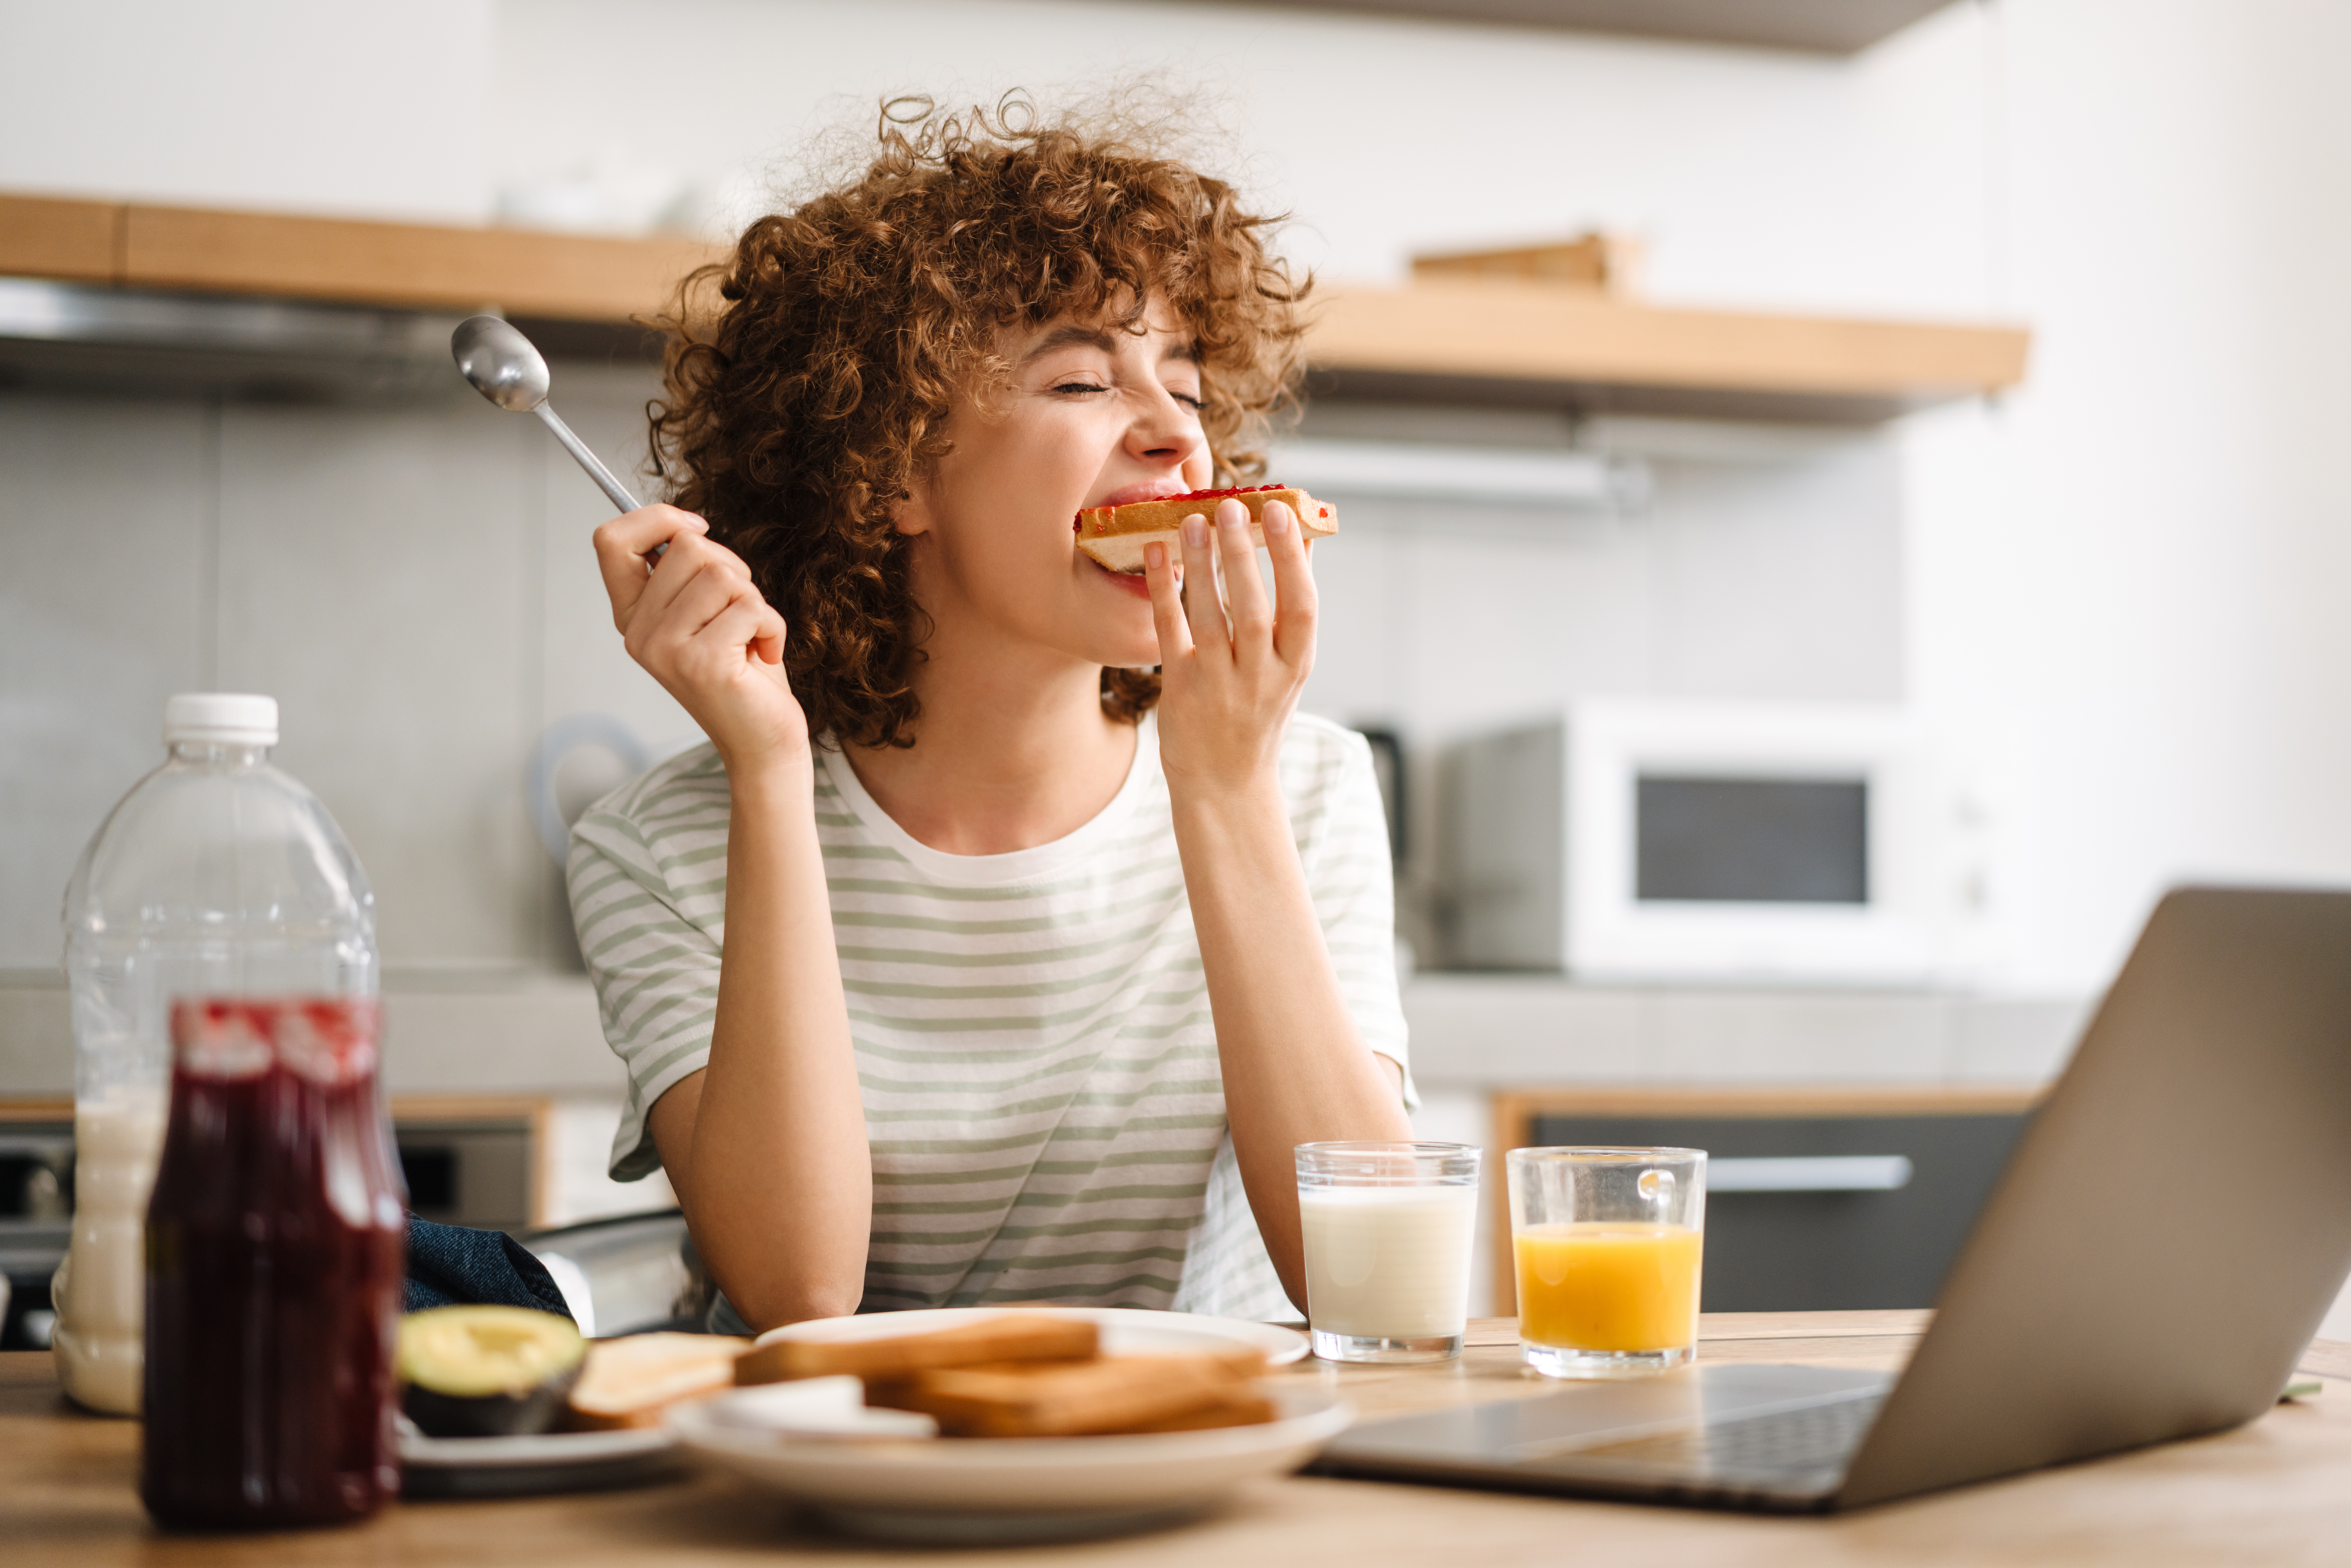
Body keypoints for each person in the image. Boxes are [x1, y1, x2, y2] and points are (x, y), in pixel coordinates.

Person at [568, 97, 1413, 1332]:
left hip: (1189, 1487)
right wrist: (763, 772)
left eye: (1182, 383)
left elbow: (1377, 1291)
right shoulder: (664, 846)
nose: (1176, 431)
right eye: (1081, 378)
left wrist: (1225, 792)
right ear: (891, 471)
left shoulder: (1304, 787)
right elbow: (800, 1294)